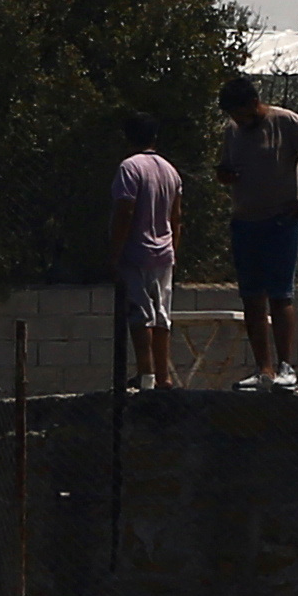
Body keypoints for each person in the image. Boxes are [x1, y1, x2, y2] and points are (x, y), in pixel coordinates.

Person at [218, 71, 298, 390]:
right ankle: (263, 369)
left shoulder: (285, 122)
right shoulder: (233, 130)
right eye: (232, 116)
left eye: (240, 113)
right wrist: (226, 176)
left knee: (280, 296)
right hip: (245, 222)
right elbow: (227, 166)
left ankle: (285, 367)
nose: (237, 120)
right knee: (252, 298)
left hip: (280, 222)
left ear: (254, 103)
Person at [111, 111, 184, 391]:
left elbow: (124, 211)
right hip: (164, 252)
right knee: (162, 314)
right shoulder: (170, 170)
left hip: (136, 251)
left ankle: (146, 374)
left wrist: (115, 252)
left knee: (140, 314)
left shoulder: (129, 168)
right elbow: (176, 216)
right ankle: (163, 375)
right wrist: (173, 248)